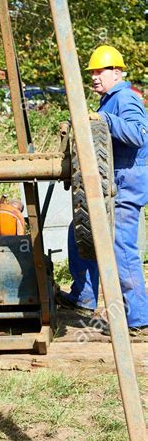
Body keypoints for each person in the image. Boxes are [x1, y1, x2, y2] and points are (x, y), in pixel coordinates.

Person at [57, 45, 148, 337]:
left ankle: (138, 319)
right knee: (80, 231)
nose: (95, 77)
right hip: (113, 182)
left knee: (121, 248)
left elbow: (138, 134)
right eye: (93, 72)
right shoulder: (109, 99)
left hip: (126, 184)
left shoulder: (125, 98)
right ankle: (83, 296)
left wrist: (106, 121)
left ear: (117, 72)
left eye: (101, 71)